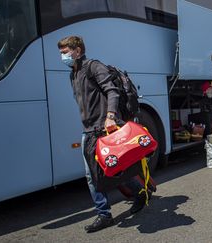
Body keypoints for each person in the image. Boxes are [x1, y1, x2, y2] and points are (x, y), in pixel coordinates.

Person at [57, 36, 146, 233]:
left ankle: (127, 199)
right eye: (61, 53)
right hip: (88, 130)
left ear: (77, 50)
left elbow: (112, 91)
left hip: (104, 128)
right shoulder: (73, 74)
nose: (62, 56)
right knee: (97, 173)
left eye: (65, 52)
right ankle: (111, 209)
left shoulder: (93, 66)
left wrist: (111, 116)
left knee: (111, 168)